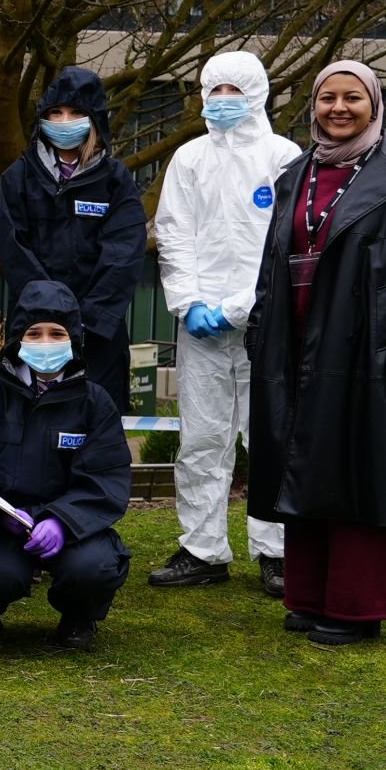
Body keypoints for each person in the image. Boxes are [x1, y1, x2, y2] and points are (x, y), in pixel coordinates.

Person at [247, 61, 386, 647]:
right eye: (327, 97)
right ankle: (310, 595)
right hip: (294, 341)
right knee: (304, 463)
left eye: (351, 98)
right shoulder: (295, 174)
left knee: (358, 469)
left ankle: (360, 607)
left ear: (374, 104)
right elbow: (270, 263)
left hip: (367, 346)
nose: (338, 108)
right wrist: (261, 334)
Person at [149, 51, 302, 596]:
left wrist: (239, 306)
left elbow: (286, 244)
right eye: (213, 91)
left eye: (233, 91)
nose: (222, 101)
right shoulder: (189, 159)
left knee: (270, 436)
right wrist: (189, 303)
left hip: (269, 322)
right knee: (202, 437)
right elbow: (173, 234)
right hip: (201, 328)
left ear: (257, 93)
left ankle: (277, 551)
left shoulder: (285, 158)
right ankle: (202, 548)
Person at [0, 281, 133, 650]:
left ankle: (79, 617)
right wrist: (0, 515)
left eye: (57, 333)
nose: (46, 342)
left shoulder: (95, 402)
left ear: (73, 338)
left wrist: (61, 520)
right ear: (17, 338)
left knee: (96, 566)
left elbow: (107, 476)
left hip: (72, 528)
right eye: (34, 332)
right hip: (1, 525)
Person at [0, 67, 147, 411]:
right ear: (42, 119)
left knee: (96, 427)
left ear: (94, 119)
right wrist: (47, 316)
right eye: (56, 113)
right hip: (33, 333)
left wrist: (85, 321)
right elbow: (13, 248)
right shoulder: (18, 178)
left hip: (98, 338)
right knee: (25, 424)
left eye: (77, 113)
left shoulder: (116, 181)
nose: (65, 121)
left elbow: (123, 255)